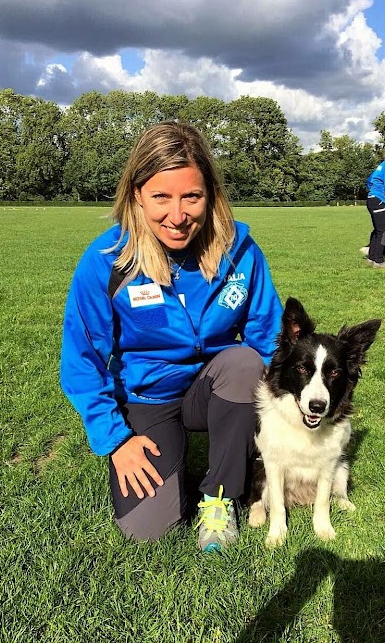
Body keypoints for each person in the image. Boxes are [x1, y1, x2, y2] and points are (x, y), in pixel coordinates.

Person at [60, 121, 283, 553]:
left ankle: (219, 498)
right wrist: (117, 440)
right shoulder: (107, 260)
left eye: (192, 197)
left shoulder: (241, 251)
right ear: (136, 195)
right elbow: (81, 360)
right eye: (161, 197)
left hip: (213, 388)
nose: (177, 216)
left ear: (211, 196)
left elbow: (268, 338)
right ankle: (170, 456)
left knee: (243, 363)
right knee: (147, 529)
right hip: (149, 398)